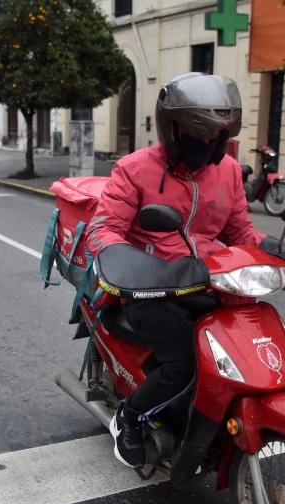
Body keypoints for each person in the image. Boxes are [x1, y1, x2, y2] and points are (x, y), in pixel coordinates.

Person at [86, 73, 273, 468]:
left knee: (243, 351)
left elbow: (240, 232)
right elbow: (104, 230)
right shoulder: (134, 169)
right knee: (183, 363)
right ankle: (130, 417)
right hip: (150, 288)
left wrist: (273, 248)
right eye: (199, 135)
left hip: (208, 281)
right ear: (173, 129)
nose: (208, 145)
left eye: (217, 137)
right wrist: (133, 264)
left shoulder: (228, 172)